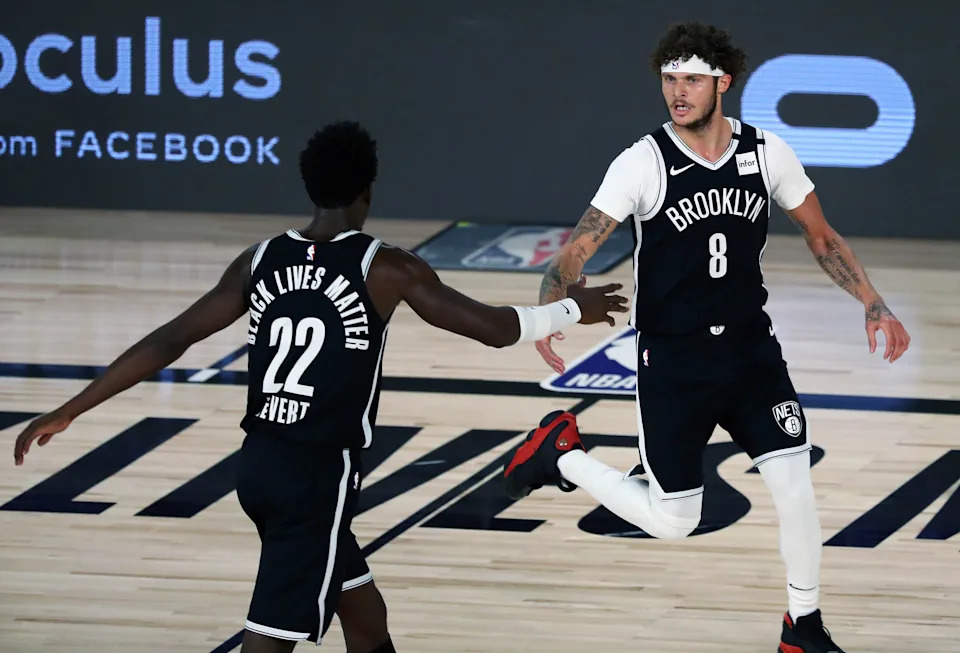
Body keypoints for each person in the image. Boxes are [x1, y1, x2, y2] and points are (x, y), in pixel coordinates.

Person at [13, 120, 628, 653]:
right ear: (368, 191)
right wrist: (575, 308)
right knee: (271, 637)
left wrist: (71, 408)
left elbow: (170, 340)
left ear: (309, 187)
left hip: (258, 466)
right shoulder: (385, 267)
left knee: (364, 614)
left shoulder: (259, 260)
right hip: (316, 478)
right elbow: (494, 330)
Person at [503, 21, 910, 653]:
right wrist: (552, 312)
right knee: (674, 521)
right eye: (670, 78)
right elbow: (578, 248)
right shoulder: (642, 162)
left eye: (692, 79)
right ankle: (560, 455)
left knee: (795, 487)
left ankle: (802, 626)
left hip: (750, 352)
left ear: (723, 82)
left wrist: (873, 304)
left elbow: (821, 235)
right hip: (674, 360)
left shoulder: (766, 152)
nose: (678, 91)